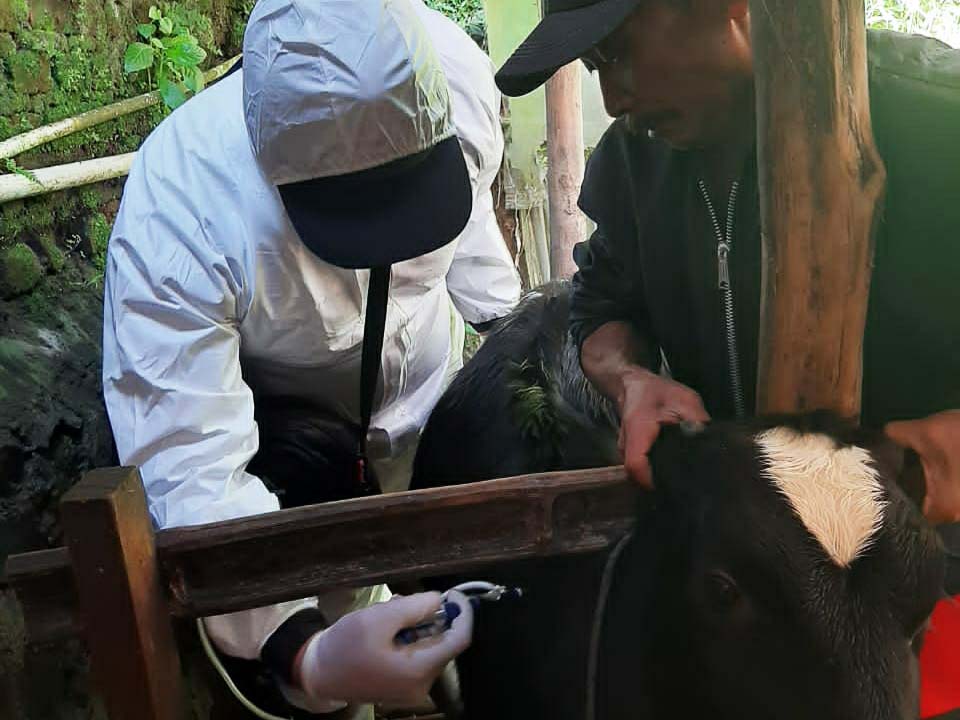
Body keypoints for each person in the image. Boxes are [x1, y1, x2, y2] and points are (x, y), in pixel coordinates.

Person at [102, 0, 520, 715]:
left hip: (427, 402)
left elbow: (474, 215)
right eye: (359, 210)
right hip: (292, 467)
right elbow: (191, 461)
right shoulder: (180, 211)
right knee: (337, 677)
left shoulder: (455, 76)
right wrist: (308, 653)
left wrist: (511, 333)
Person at [494, 0, 960, 525]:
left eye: (619, 52)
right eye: (595, 67)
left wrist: (934, 465)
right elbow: (601, 305)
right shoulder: (633, 163)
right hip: (754, 546)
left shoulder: (940, 121)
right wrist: (632, 380)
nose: (613, 101)